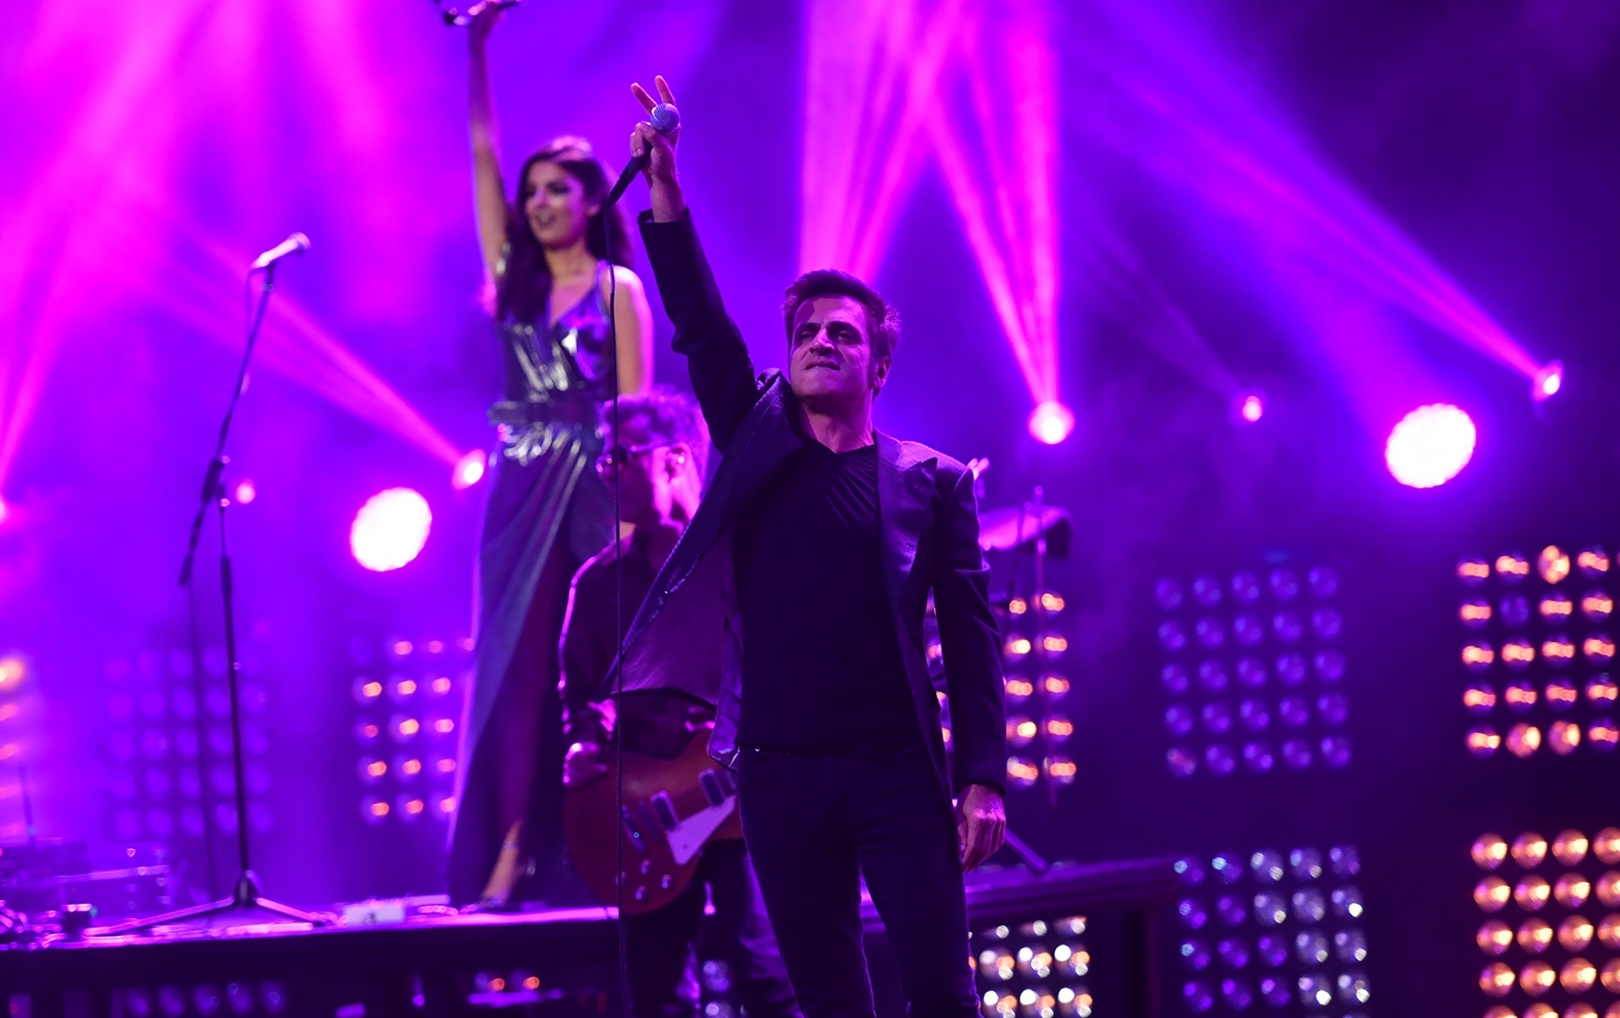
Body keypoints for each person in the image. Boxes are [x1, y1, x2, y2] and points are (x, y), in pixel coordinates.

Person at [605, 77, 1009, 1018]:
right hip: (779, 774)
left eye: (842, 333)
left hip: (897, 771)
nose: (819, 342)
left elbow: (974, 641)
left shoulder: (934, 482)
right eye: (804, 333)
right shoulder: (756, 441)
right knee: (826, 1000)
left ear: (880, 364)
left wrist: (984, 777)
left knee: (943, 996)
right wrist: (666, 192)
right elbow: (703, 329)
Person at [446, 2, 655, 908]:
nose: (536, 201)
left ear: (591, 200)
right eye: (531, 191)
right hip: (521, 485)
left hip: (599, 484)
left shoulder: (619, 287)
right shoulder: (514, 283)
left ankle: (606, 842)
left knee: (601, 668)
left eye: (555, 189)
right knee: (517, 669)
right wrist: (476, 49)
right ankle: (511, 848)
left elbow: (641, 414)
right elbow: (481, 156)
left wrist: (641, 520)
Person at [558, 388, 799, 1018]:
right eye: (603, 460)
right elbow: (584, 693)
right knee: (659, 994)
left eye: (620, 457)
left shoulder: (745, 555)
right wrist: (585, 744)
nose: (606, 473)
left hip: (743, 798)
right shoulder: (598, 582)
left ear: (673, 459)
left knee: (769, 976)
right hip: (647, 809)